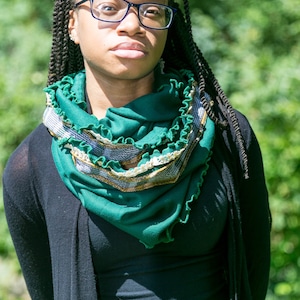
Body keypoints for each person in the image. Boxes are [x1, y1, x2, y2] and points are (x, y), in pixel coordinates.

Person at [3, 0, 271, 299]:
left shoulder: (224, 134)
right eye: (108, 8)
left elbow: (253, 273)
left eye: (152, 10)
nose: (133, 24)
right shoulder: (32, 165)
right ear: (73, 24)